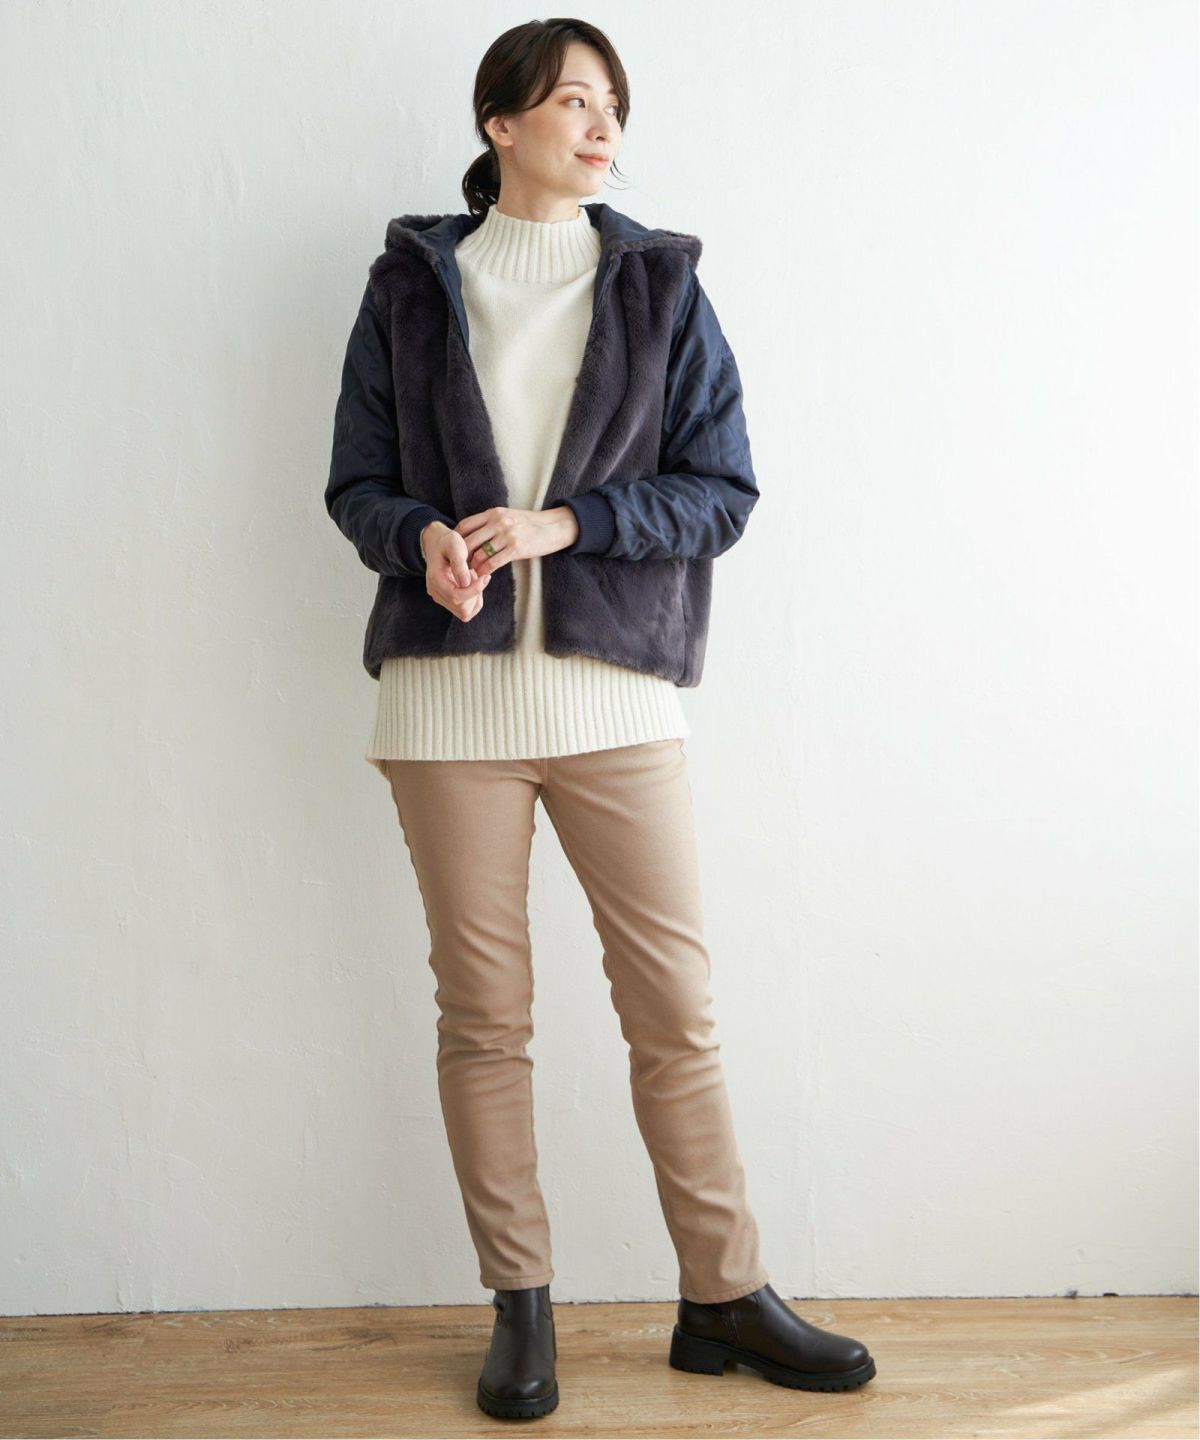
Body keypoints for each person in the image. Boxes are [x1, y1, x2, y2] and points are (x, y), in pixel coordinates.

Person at [326, 17, 876, 1421]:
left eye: (612, 102)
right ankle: (521, 1306)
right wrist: (421, 540)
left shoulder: (659, 285)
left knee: (674, 1009)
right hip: (446, 708)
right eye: (572, 99)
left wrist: (566, 525)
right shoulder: (410, 286)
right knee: (484, 1018)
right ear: (500, 122)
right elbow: (358, 483)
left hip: (615, 694)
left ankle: (724, 1296)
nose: (601, 122)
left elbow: (722, 492)